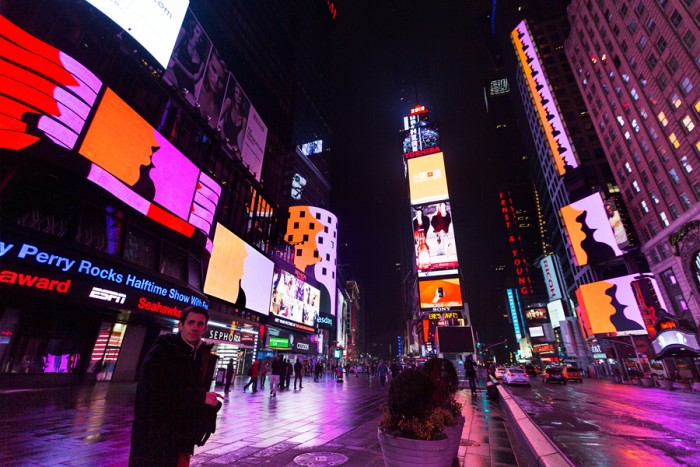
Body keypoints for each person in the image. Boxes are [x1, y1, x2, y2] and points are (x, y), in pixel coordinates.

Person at [129, 306, 223, 466]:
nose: (195, 327)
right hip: (155, 437)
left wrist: (208, 404)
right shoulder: (162, 351)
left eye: (200, 324)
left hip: (180, 437)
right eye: (191, 322)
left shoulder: (198, 353)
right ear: (181, 325)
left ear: (205, 328)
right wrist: (201, 397)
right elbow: (152, 395)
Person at [163, 16, 211, 94]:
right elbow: (172, 52)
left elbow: (195, 79)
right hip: (174, 75)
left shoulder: (203, 59)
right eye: (197, 31)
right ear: (193, 29)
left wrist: (178, 62)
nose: (198, 37)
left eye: (201, 36)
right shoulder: (184, 37)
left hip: (188, 88)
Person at [218, 80, 249, 158]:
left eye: (240, 94)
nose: (238, 96)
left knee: (238, 159)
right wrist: (222, 134)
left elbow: (243, 142)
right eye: (236, 93)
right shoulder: (229, 102)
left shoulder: (244, 119)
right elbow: (218, 120)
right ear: (234, 94)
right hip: (222, 136)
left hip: (233, 146)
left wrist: (239, 152)